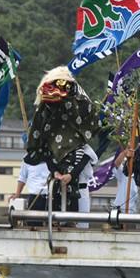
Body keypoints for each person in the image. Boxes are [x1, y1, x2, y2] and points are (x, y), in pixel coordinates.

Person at [24, 66, 100, 215]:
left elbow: (83, 160)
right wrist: (56, 173)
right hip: (55, 188)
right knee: (57, 221)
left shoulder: (82, 146)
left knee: (79, 224)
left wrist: (70, 175)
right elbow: (46, 152)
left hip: (80, 191)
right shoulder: (46, 114)